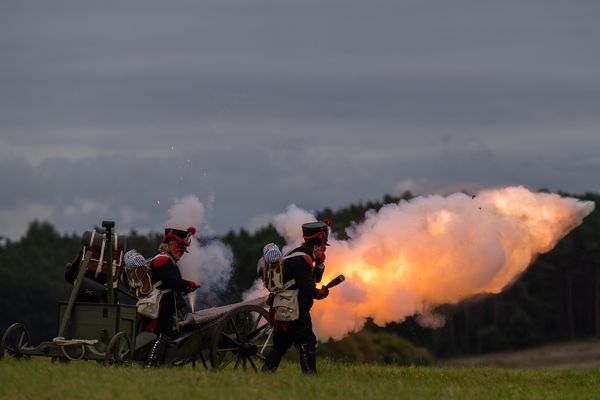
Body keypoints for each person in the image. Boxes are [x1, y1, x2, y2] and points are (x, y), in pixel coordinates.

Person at [262, 221, 330, 374]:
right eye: (323, 247)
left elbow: (314, 279)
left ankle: (266, 373)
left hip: (283, 307)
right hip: (296, 308)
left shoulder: (296, 255)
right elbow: (308, 289)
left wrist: (319, 263)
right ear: (316, 247)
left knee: (280, 346)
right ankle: (310, 376)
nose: (324, 250)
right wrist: (321, 294)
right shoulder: (303, 260)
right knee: (308, 342)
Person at [142, 226, 201, 367]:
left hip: (165, 303)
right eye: (180, 248)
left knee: (170, 334)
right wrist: (188, 284)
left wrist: (187, 287)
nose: (181, 252)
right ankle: (152, 363)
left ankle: (159, 362)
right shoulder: (162, 260)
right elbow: (172, 282)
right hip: (160, 304)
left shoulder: (166, 259)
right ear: (172, 244)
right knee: (164, 334)